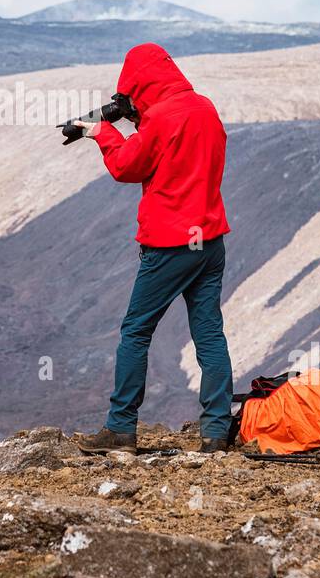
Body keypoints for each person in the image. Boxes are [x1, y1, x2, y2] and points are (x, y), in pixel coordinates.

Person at [74, 42, 233, 455]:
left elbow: (127, 167)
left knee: (135, 332)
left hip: (170, 244)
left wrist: (102, 131)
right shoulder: (204, 107)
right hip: (210, 239)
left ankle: (120, 428)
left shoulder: (161, 118)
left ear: (139, 83)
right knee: (209, 334)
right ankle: (216, 431)